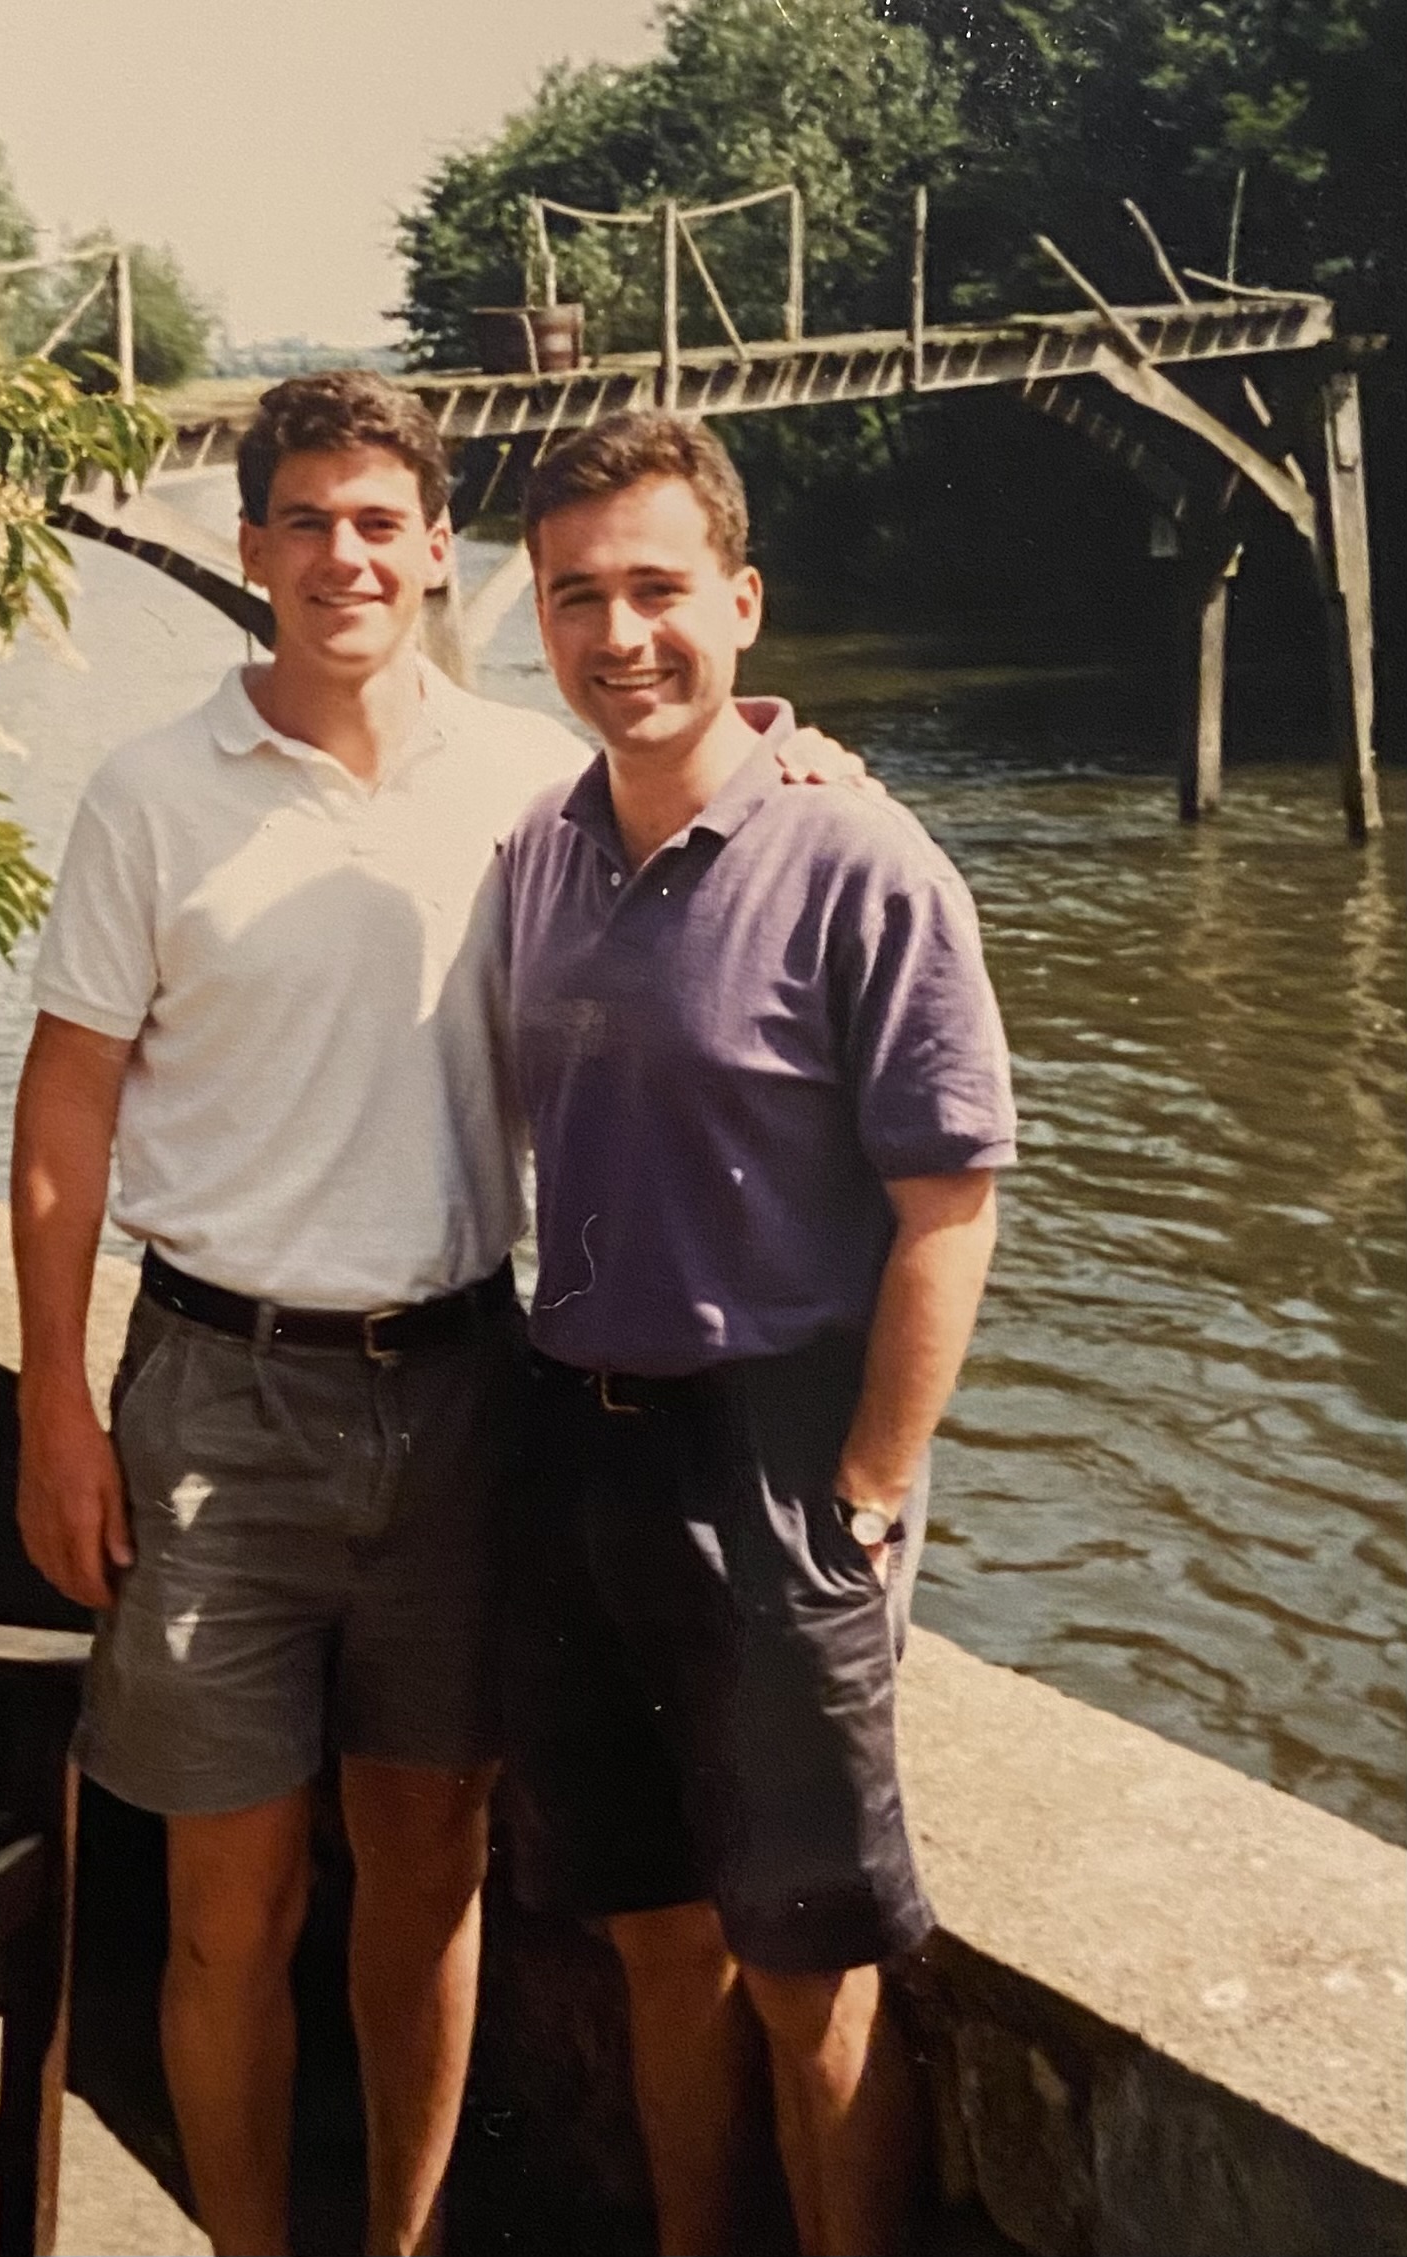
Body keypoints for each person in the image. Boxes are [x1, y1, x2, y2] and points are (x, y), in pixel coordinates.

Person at [10, 371, 868, 2257]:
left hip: (476, 1389)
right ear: (249, 552)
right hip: (216, 1400)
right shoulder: (151, 791)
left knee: (429, 1878)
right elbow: (64, 1100)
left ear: (435, 553)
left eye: (380, 520)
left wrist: (808, 752)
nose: (343, 555)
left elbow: (703, 785)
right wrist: (54, 1409)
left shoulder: (527, 785)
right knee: (234, 1906)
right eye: (304, 520)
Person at [499, 411, 1017, 2257]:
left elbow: (947, 1200)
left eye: (657, 588)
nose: (620, 632)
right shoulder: (538, 858)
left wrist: (868, 1486)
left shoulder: (866, 864)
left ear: (740, 598)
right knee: (654, 1937)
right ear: (535, 618)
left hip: (777, 1459)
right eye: (577, 596)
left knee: (810, 1973)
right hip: (581, 1444)